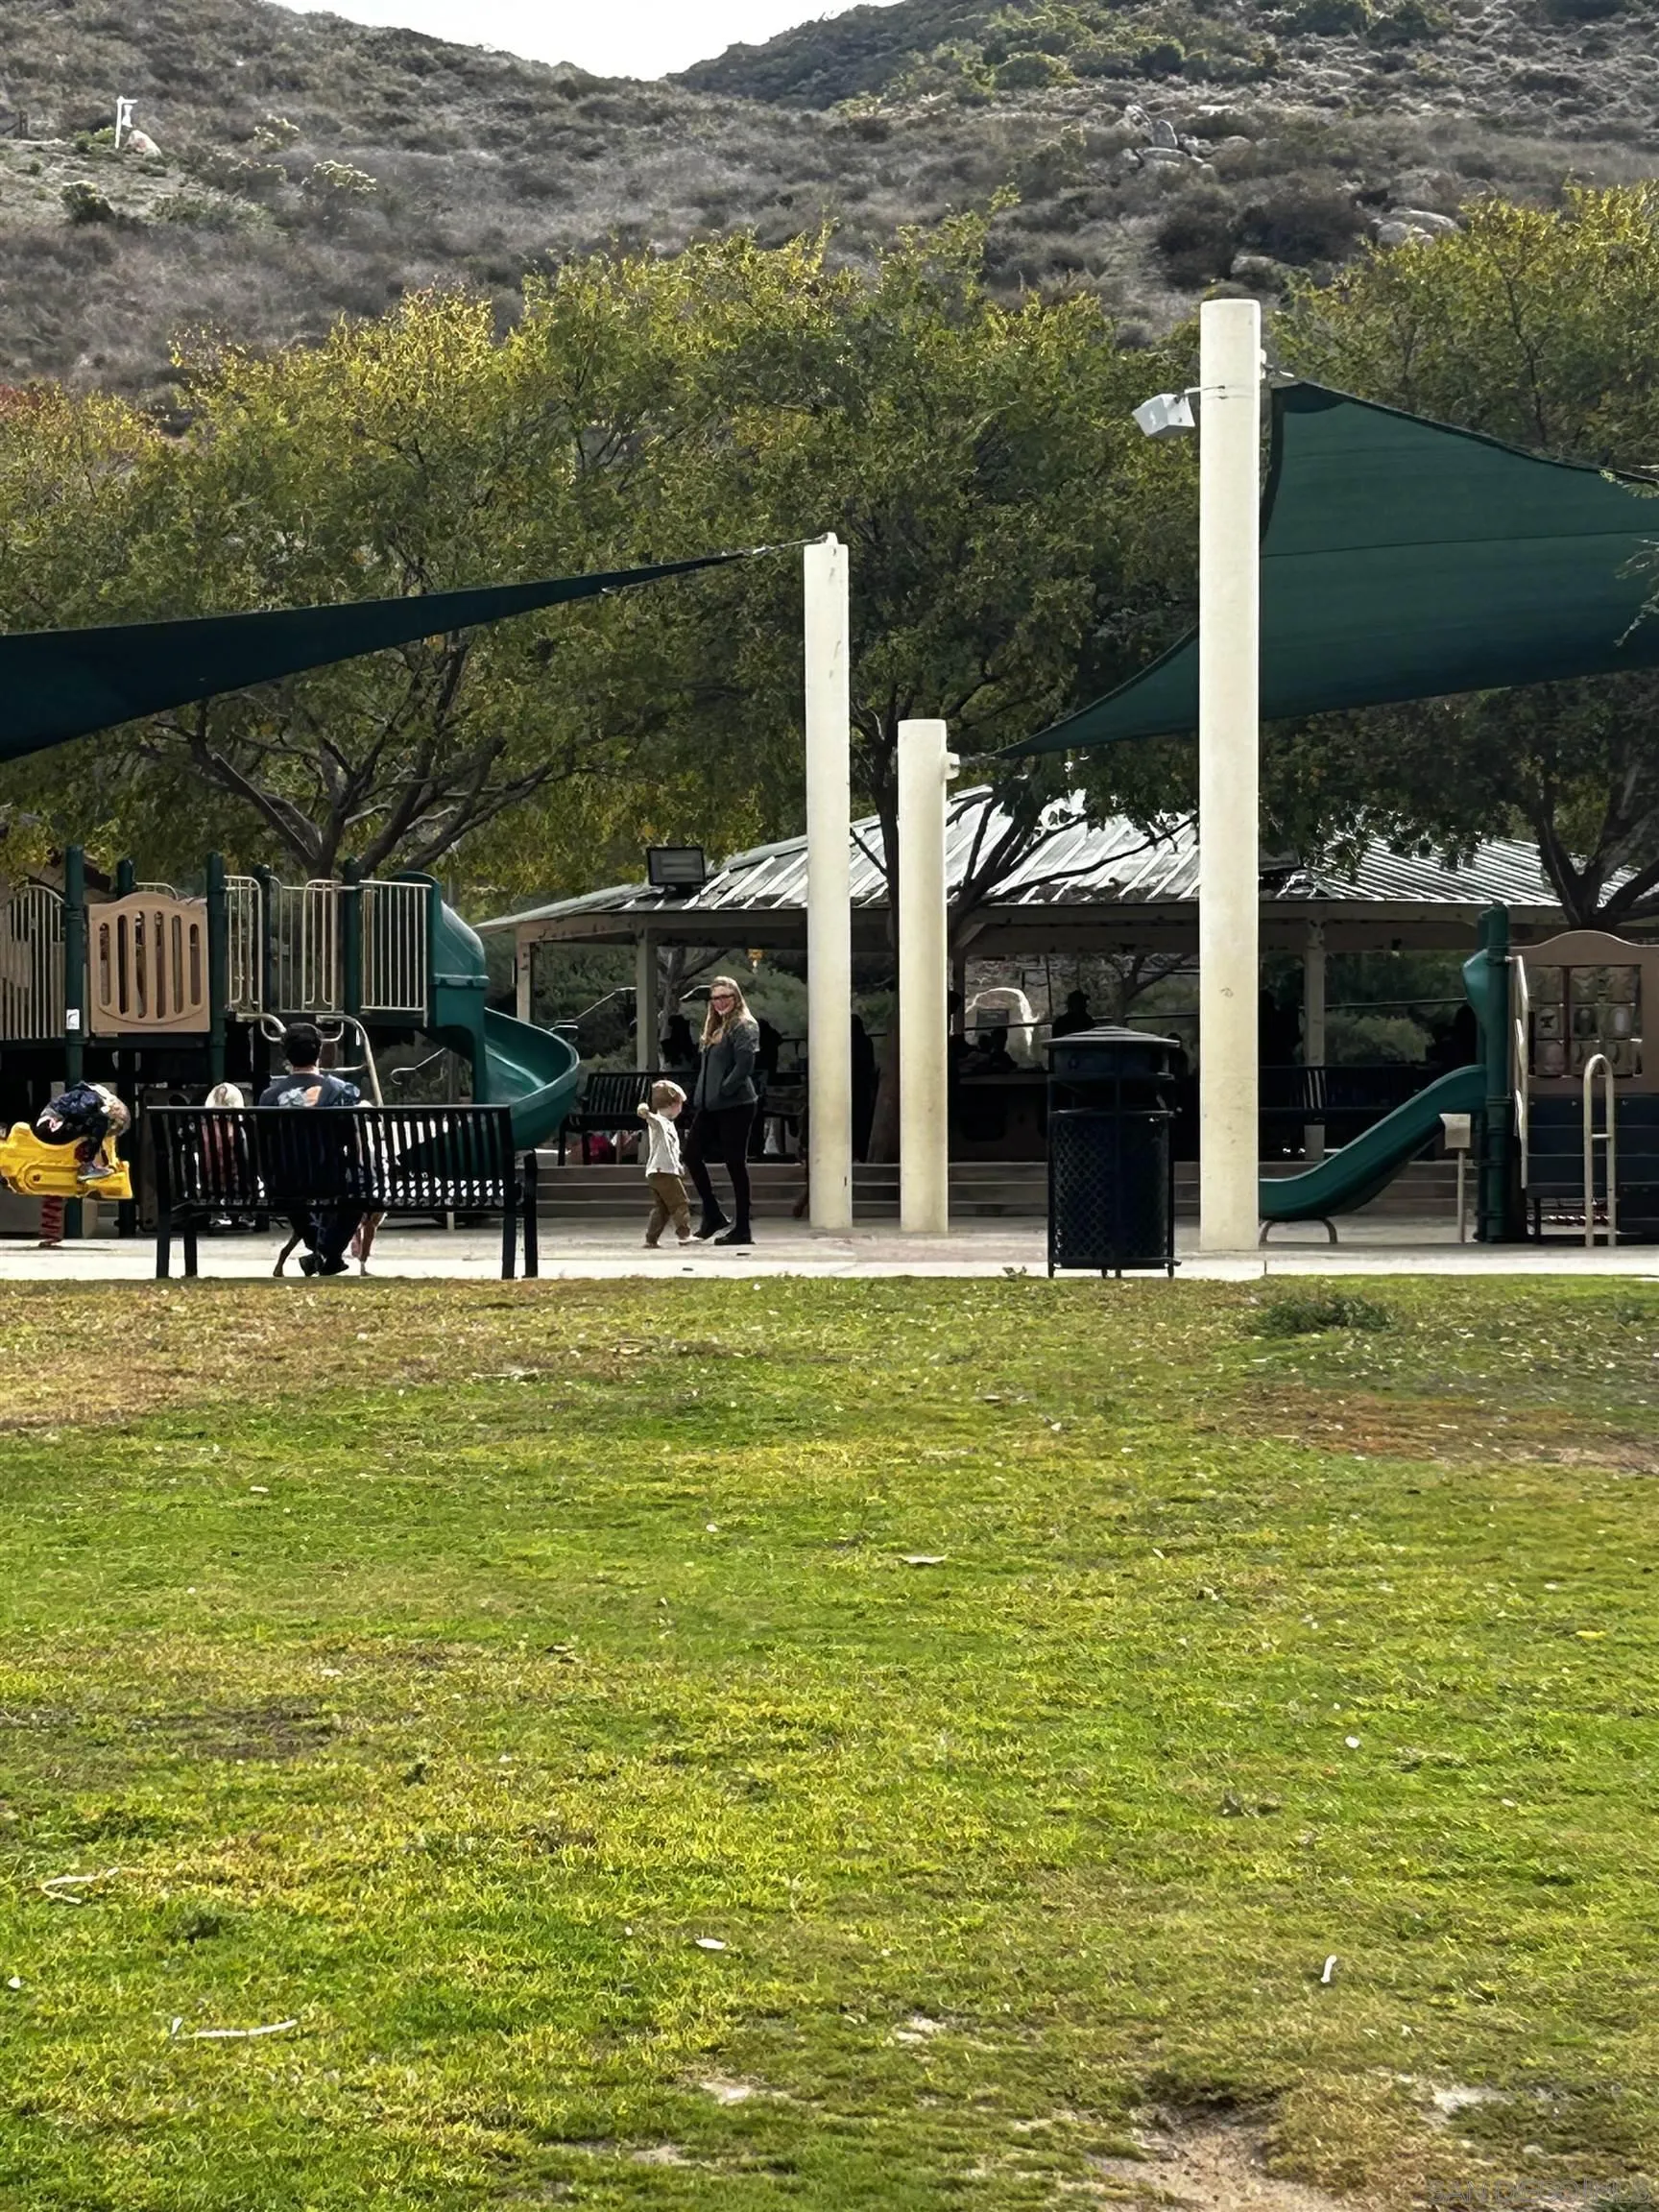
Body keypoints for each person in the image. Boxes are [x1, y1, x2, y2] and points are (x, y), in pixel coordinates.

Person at [258, 1022, 362, 1277]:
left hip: (285, 1183)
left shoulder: (269, 1098)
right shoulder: (340, 1092)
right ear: (319, 1051)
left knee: (290, 1191)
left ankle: (321, 1251)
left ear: (285, 1054)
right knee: (359, 1194)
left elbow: (264, 1144)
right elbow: (351, 1140)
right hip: (330, 1178)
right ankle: (329, 1252)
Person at [685, 974, 759, 1245]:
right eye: (715, 997)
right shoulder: (714, 1027)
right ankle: (713, 1213)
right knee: (691, 1154)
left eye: (726, 996)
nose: (720, 1002)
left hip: (736, 1105)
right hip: (710, 1105)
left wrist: (724, 1090)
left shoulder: (744, 1025)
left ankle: (742, 1229)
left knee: (735, 1163)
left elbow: (744, 1066)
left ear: (736, 997)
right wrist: (703, 1096)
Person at [33, 1080, 130, 1248]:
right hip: (52, 1126)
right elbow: (80, 1112)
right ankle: (86, 1166)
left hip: (53, 1126)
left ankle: (50, 1235)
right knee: (99, 1121)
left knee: (57, 1181)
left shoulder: (85, 1097)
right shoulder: (93, 1100)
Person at [637, 1079, 692, 1248]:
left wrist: (677, 1165)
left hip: (659, 1171)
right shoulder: (660, 1122)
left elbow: (671, 1149)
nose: (680, 1109)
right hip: (664, 1171)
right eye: (679, 1105)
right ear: (672, 1104)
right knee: (680, 1202)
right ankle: (684, 1234)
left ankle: (651, 1239)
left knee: (662, 1208)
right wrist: (645, 1113)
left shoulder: (668, 1124)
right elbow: (652, 1121)